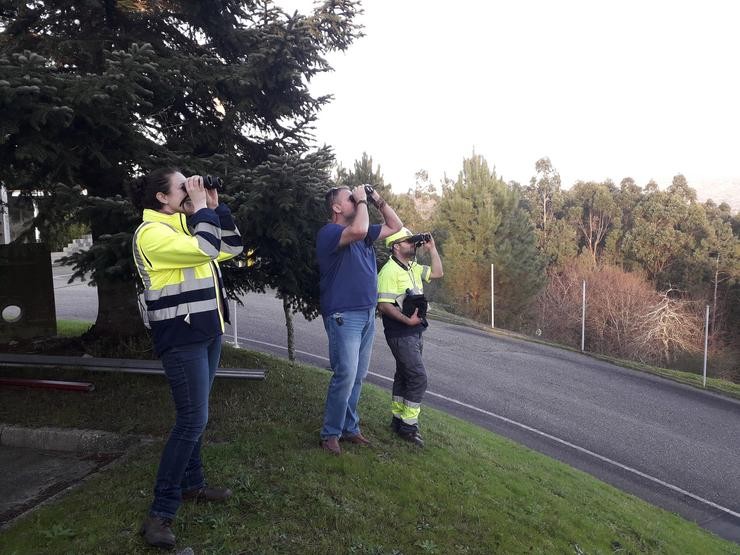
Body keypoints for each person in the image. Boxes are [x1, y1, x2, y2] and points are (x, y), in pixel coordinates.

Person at [130, 168, 243, 549]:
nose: (190, 188)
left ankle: (193, 484)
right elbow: (205, 249)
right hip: (181, 338)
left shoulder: (184, 224)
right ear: (162, 197)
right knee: (192, 419)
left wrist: (215, 206)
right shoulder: (151, 234)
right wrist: (200, 210)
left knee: (197, 414)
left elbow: (230, 249)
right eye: (183, 186)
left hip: (206, 331)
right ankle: (160, 512)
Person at [316, 185, 403, 455]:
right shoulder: (329, 233)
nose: (356, 201)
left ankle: (349, 428)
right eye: (350, 199)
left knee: (358, 376)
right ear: (336, 208)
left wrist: (376, 199)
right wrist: (363, 201)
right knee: (345, 374)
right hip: (344, 315)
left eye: (357, 198)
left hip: (366, 314)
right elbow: (359, 230)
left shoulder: (362, 236)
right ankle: (330, 433)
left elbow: (396, 225)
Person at [376, 227, 443, 447]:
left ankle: (397, 420)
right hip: (400, 332)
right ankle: (409, 427)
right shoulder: (388, 272)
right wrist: (407, 321)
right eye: (408, 241)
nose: (413, 244)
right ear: (396, 246)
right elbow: (384, 305)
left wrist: (432, 250)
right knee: (418, 378)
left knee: (404, 375)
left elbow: (437, 273)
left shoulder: (413, 267)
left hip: (415, 331)